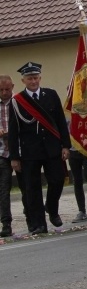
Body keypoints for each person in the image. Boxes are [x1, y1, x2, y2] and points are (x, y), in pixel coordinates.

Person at [7, 63, 71, 235]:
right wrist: (14, 157)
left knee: (57, 179)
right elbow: (13, 131)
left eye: (35, 78)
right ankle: (39, 224)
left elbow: (60, 121)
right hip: (30, 151)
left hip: (52, 148)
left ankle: (51, 207)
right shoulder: (17, 101)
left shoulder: (50, 95)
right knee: (32, 188)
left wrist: (66, 145)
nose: (33, 81)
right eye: (30, 78)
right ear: (23, 81)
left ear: (40, 78)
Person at [1, 74, 29, 236]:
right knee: (3, 190)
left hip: (20, 150)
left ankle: (31, 218)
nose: (4, 92)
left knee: (26, 186)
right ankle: (6, 224)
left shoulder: (19, 101)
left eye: (7, 89)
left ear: (12, 87)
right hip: (2, 152)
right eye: (1, 90)